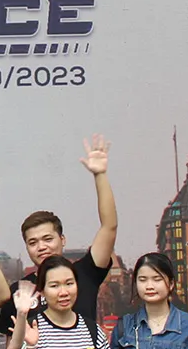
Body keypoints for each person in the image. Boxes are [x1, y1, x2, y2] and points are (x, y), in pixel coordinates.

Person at [12, 136, 119, 326]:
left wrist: (100, 175)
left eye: (48, 239)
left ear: (63, 240)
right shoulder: (20, 291)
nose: (41, 247)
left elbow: (109, 226)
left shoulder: (85, 273)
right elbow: (12, 342)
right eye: (33, 242)